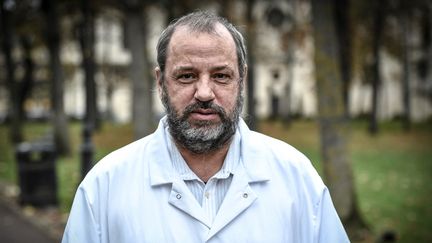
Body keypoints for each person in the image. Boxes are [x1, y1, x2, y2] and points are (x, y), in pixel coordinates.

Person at [61, 11, 349, 243]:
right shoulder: (104, 187)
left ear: (242, 80)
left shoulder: (296, 178)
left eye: (221, 76)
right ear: (161, 82)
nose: (204, 93)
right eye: (186, 76)